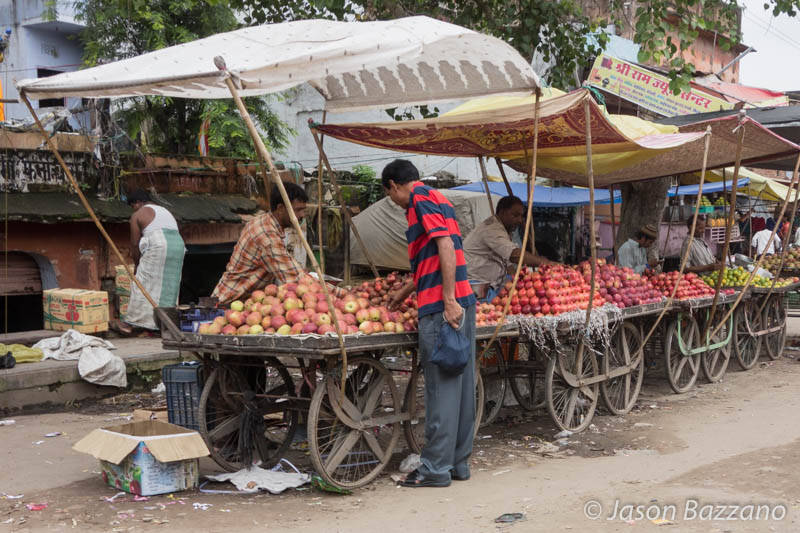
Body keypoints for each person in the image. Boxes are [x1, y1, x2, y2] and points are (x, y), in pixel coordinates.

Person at [384, 159, 476, 488]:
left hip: (442, 306)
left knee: (440, 388)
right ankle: (458, 465)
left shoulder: (419, 200)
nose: (393, 203)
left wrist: (447, 300)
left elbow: (445, 245)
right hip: (464, 300)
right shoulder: (440, 198)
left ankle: (435, 469)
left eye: (390, 195)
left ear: (394, 186)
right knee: (462, 385)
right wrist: (406, 290)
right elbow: (434, 255)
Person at [213, 182, 342, 305]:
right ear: (280, 208)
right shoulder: (266, 236)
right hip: (228, 303)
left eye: (304, 210)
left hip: (246, 302)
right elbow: (296, 279)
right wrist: (341, 293)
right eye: (298, 210)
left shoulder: (264, 221)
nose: (302, 215)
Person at [462, 195, 556, 299]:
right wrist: (548, 263)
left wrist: (518, 281)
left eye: (521, 216)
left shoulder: (504, 230)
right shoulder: (492, 230)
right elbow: (514, 255)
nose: (520, 220)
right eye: (515, 215)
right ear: (502, 213)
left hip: (489, 286)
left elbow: (507, 262)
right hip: (476, 287)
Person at [118, 190, 185, 333]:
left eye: (132, 206)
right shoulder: (165, 210)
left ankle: (129, 323)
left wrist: (137, 265)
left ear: (137, 203)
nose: (133, 209)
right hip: (178, 246)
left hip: (159, 245)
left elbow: (135, 244)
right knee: (169, 285)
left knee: (142, 281)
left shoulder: (138, 214)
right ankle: (163, 324)